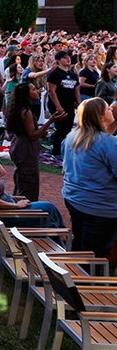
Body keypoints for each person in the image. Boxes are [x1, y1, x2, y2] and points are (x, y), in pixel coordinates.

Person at [0, 133, 65, 227]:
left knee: (50, 212)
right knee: (49, 208)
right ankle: (61, 240)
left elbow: (1, 172)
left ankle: (61, 238)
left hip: (5, 211)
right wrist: (17, 205)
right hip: (7, 215)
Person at [61, 98, 117, 257]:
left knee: (80, 243)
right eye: (107, 108)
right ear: (99, 116)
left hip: (75, 199)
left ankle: (74, 274)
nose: (111, 110)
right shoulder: (107, 143)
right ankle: (87, 278)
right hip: (99, 207)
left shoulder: (72, 137)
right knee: (93, 254)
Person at [6, 81, 67, 201]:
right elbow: (33, 135)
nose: (37, 91)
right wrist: (51, 120)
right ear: (26, 94)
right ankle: (25, 212)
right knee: (28, 183)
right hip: (25, 148)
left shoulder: (19, 109)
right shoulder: (25, 112)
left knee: (22, 180)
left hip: (19, 145)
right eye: (33, 90)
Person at [46, 51, 81, 156]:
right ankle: (56, 151)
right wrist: (58, 106)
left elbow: (77, 90)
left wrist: (80, 104)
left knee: (68, 128)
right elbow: (51, 91)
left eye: (68, 57)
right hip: (58, 104)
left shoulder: (73, 75)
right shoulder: (54, 74)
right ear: (58, 61)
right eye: (65, 58)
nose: (68, 59)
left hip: (70, 104)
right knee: (61, 128)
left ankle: (64, 150)